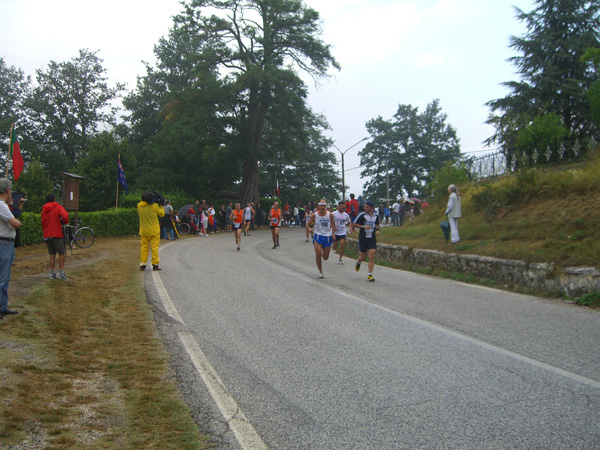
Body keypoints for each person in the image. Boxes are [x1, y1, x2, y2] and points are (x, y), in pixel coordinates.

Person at [0, 179, 23, 318]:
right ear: (8, 190)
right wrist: (19, 223)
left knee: (5, 277)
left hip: (5, 243)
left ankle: (3, 306)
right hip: (3, 243)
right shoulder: (1, 205)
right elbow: (14, 222)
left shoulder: (3, 205)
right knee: (2, 278)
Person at [41, 193, 70, 281]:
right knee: (62, 253)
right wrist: (64, 222)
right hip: (56, 233)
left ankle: (51, 273)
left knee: (52, 254)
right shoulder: (57, 207)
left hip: (47, 234)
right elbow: (65, 216)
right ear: (55, 199)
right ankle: (61, 273)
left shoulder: (44, 210)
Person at [352, 200, 380, 282]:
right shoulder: (362, 215)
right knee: (363, 256)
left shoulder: (376, 216)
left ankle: (370, 274)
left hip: (372, 238)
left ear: (371, 208)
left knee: (371, 255)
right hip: (363, 237)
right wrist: (363, 226)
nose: (365, 208)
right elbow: (354, 224)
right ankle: (359, 261)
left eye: (367, 207)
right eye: (364, 206)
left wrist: (377, 230)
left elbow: (377, 224)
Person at [137, 192, 165, 271]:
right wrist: (161, 205)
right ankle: (155, 265)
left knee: (144, 248)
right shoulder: (154, 206)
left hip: (143, 231)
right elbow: (162, 214)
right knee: (154, 248)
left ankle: (143, 264)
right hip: (154, 231)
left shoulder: (139, 206)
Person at [310, 199, 337, 279]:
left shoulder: (330, 215)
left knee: (325, 257)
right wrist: (310, 229)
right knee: (318, 253)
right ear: (318, 206)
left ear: (326, 206)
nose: (322, 207)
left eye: (324, 206)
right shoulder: (314, 215)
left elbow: (333, 224)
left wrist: (333, 233)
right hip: (318, 236)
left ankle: (321, 251)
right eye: (321, 206)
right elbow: (308, 224)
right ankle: (320, 271)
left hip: (327, 237)